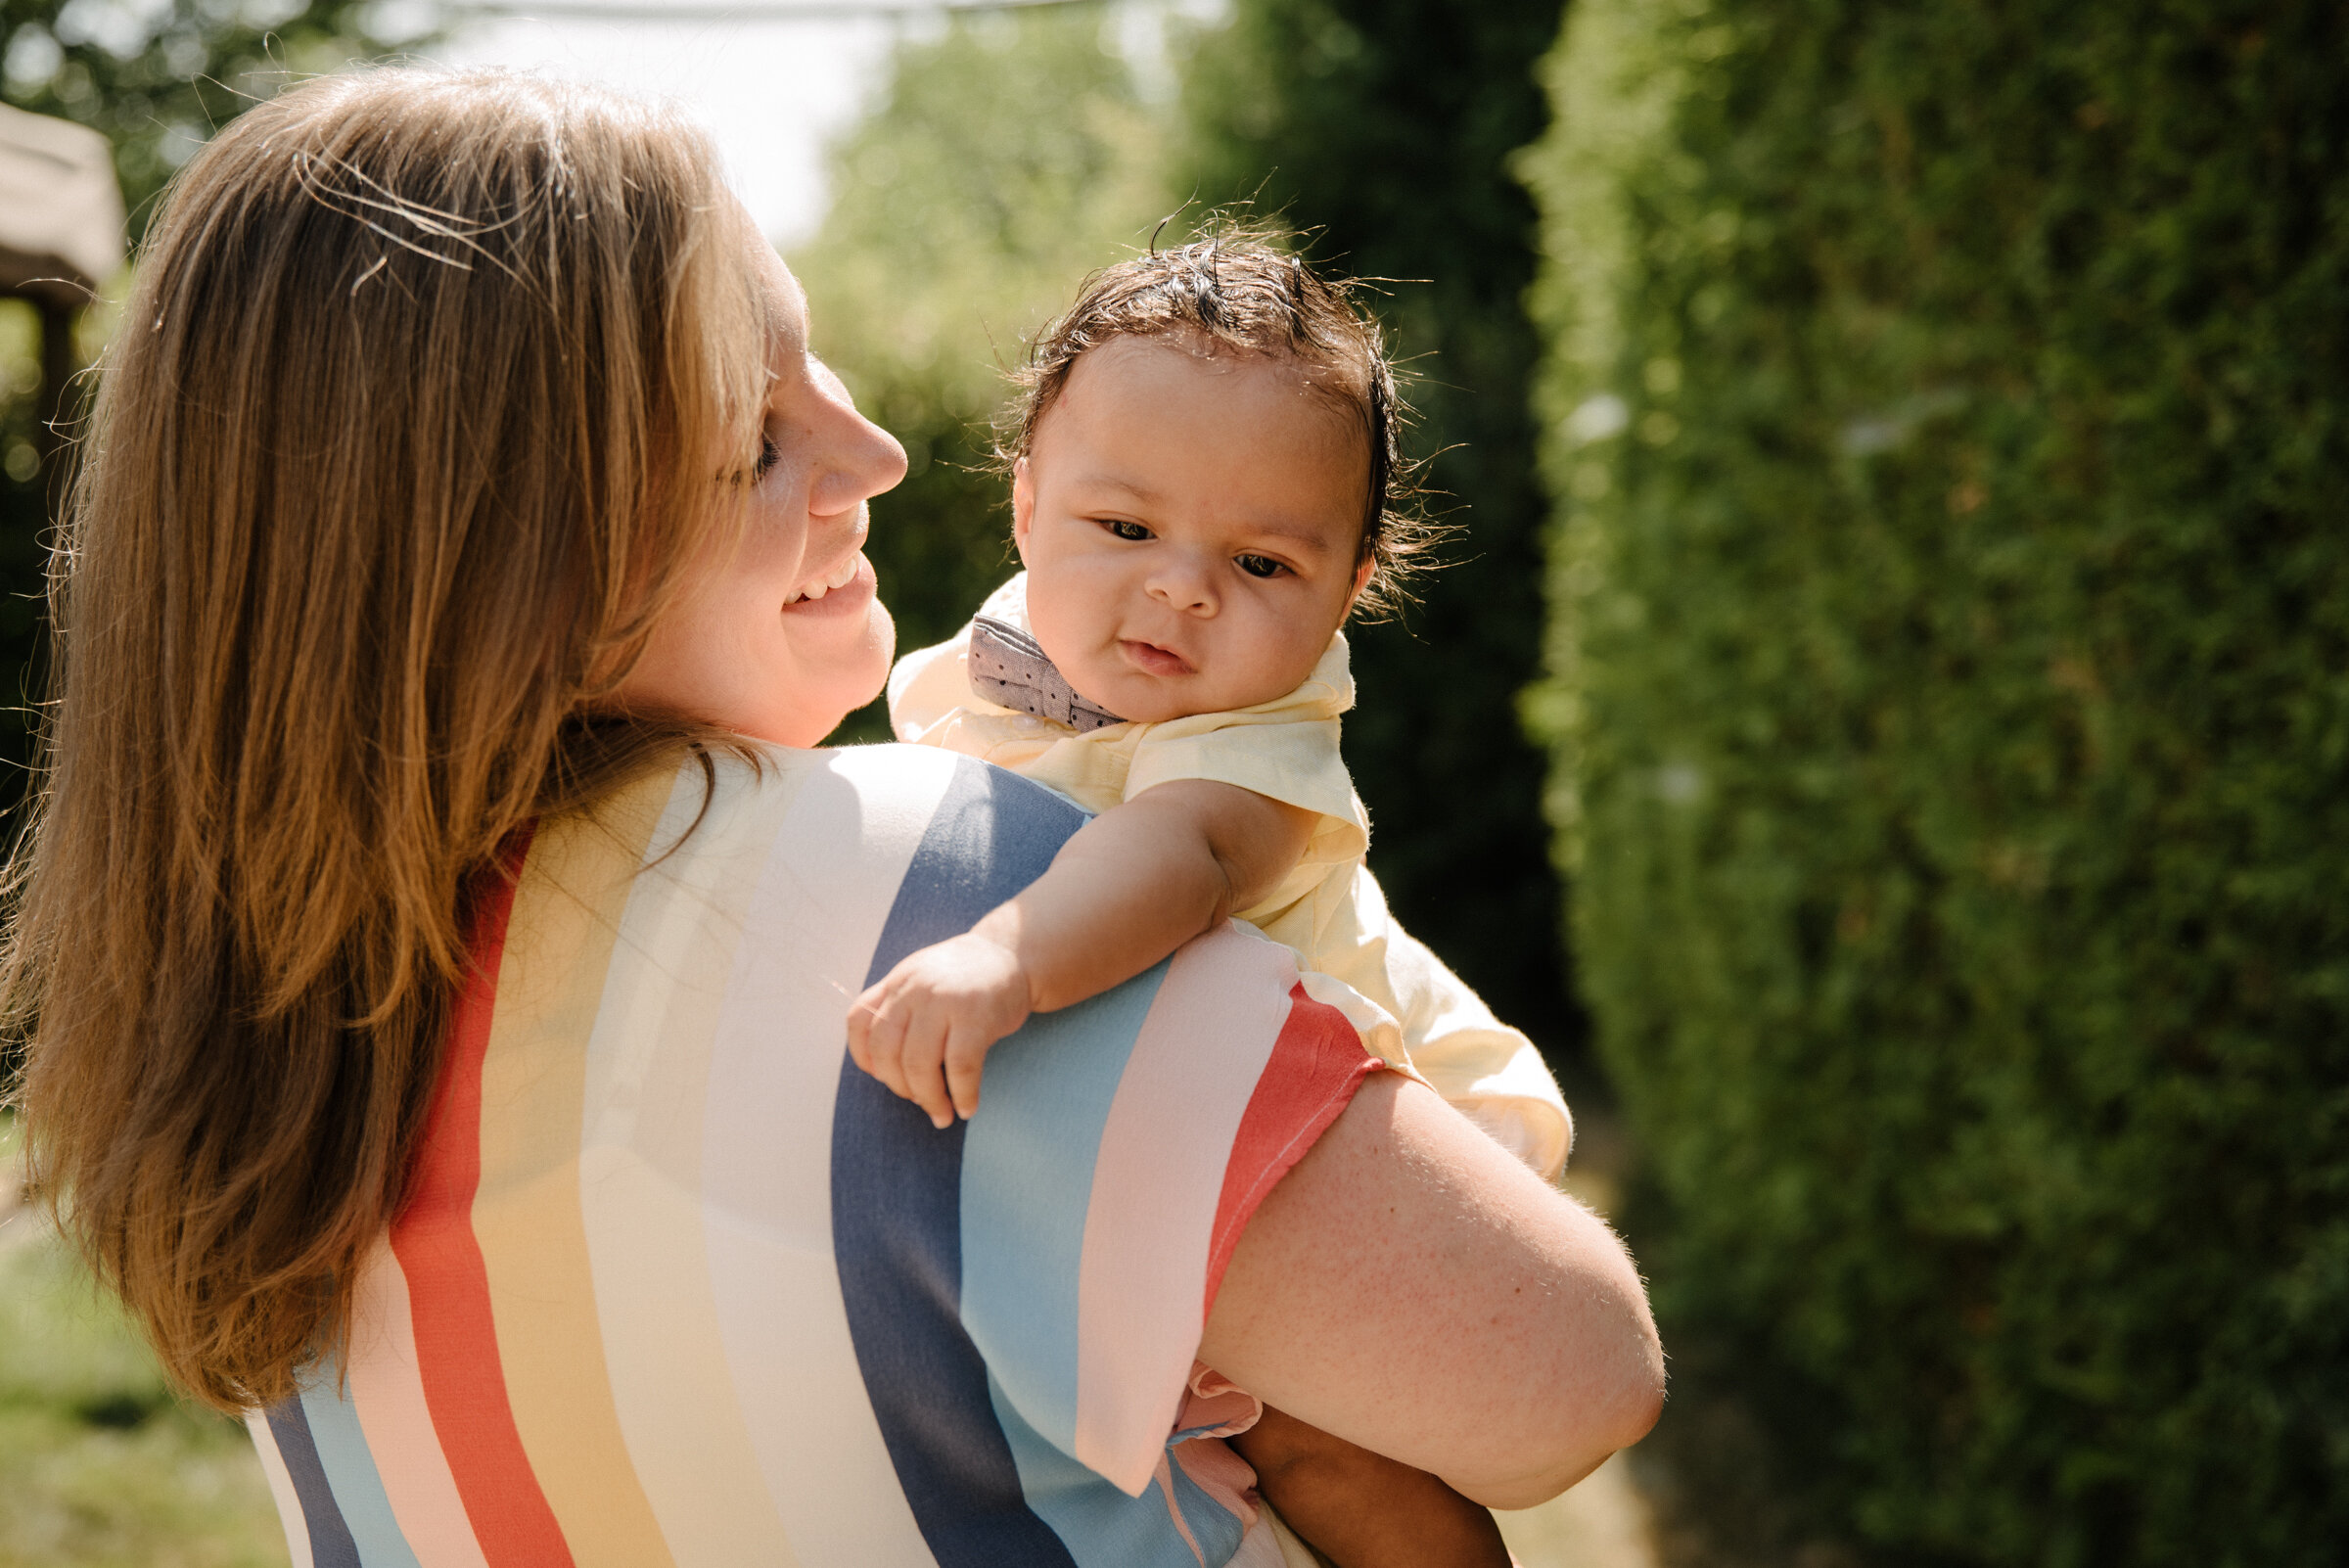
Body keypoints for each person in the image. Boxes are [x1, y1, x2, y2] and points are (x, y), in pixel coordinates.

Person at [0, 68, 1663, 1567]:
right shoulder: (940, 898)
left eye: (825, 372)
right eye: (755, 436)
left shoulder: (261, 1069)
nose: (874, 454)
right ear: (511, 564)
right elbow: (1571, 1379)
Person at [849, 236, 1583, 1565]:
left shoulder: (1262, 728)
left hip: (1380, 1135)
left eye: (1263, 566)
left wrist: (1008, 956)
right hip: (1173, 1133)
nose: (1182, 585)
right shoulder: (999, 663)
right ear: (1026, 509)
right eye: (1124, 528)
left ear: (1354, 588)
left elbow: (1171, 862)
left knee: (1321, 1443)